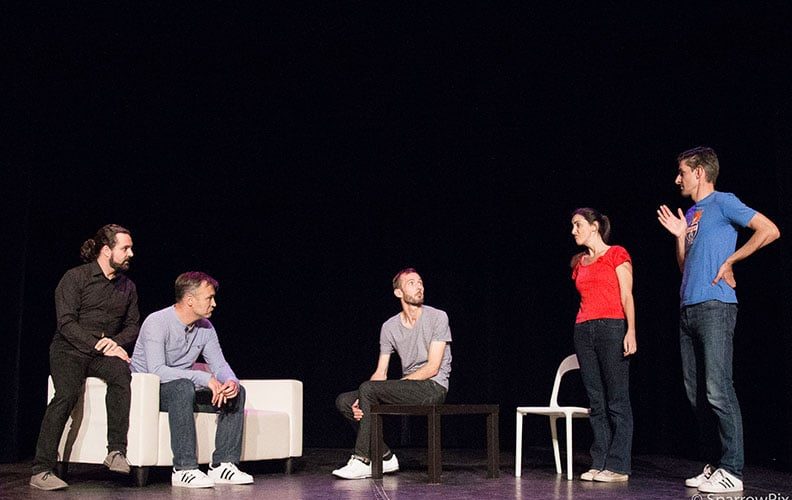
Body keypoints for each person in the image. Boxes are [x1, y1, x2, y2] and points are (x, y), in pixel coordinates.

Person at [657, 146, 780, 494]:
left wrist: (731, 261)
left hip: (716, 305)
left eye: (682, 172)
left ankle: (733, 469)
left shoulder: (724, 202)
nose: (677, 179)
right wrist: (680, 236)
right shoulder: (692, 213)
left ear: (699, 173)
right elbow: (685, 265)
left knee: (718, 389)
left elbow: (769, 230)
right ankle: (713, 464)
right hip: (688, 307)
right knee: (696, 393)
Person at [31, 224, 138, 491]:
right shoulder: (75, 278)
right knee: (66, 393)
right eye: (125, 248)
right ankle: (41, 469)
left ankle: (116, 451)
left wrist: (115, 343)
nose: (131, 253)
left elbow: (132, 326)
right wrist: (100, 346)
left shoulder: (128, 286)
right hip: (69, 348)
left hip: (102, 352)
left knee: (121, 374)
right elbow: (66, 323)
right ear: (106, 250)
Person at [131, 272, 254, 488]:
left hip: (183, 391)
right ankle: (184, 469)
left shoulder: (205, 327)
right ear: (189, 300)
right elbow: (157, 371)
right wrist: (204, 378)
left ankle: (223, 465)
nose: (214, 303)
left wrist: (230, 381)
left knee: (236, 393)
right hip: (149, 393)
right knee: (182, 388)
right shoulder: (157, 322)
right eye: (209, 298)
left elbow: (219, 365)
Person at [332, 268, 453, 479]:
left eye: (420, 282)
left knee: (369, 390)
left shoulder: (438, 317)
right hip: (408, 386)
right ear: (398, 292)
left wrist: (380, 388)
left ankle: (362, 459)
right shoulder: (389, 327)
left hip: (433, 387)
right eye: (411, 283)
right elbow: (381, 372)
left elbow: (433, 367)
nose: (419, 287)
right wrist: (362, 397)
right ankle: (385, 457)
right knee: (345, 401)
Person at [569, 208, 636, 483]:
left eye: (578, 225)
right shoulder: (579, 263)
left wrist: (631, 330)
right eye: (573, 226)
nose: (573, 231)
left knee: (617, 399)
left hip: (611, 327)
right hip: (583, 329)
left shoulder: (616, 254)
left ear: (595, 226)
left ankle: (618, 466)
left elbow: (627, 295)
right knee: (596, 400)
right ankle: (599, 462)